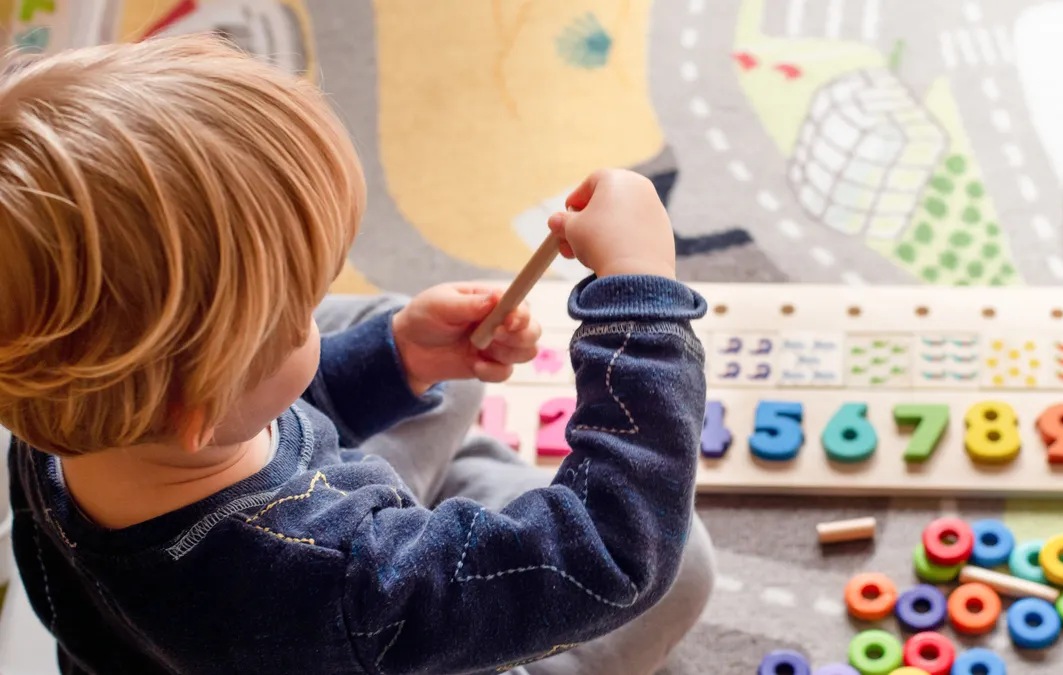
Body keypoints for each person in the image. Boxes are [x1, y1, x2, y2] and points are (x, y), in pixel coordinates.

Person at [0, 35, 715, 675]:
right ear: (201, 399)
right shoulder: (342, 579)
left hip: (216, 623)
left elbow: (240, 420)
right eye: (300, 307)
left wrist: (396, 358)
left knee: (420, 371)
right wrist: (637, 297)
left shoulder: (55, 419)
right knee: (683, 563)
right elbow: (615, 550)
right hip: (346, 622)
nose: (317, 308)